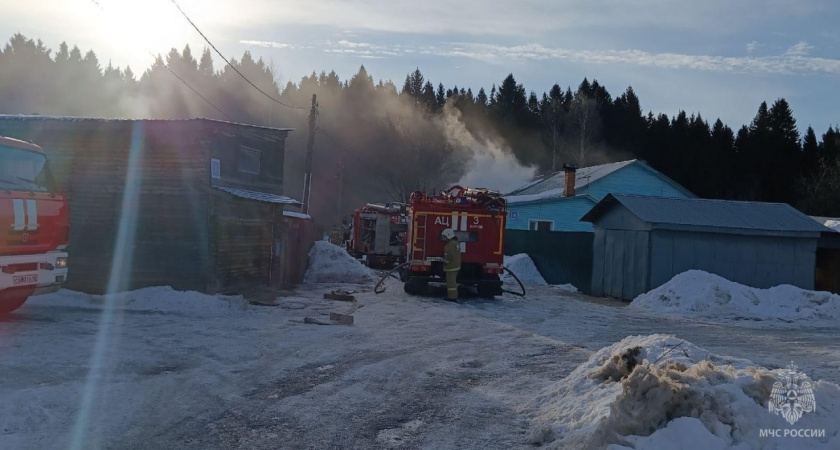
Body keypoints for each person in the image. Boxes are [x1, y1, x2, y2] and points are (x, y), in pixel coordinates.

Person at [442, 228, 461, 301]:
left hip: (451, 267)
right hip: (456, 266)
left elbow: (449, 255)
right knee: (453, 282)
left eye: (445, 236)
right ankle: (453, 296)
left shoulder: (450, 245)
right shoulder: (456, 243)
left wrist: (445, 261)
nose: (445, 238)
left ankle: (452, 297)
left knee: (451, 284)